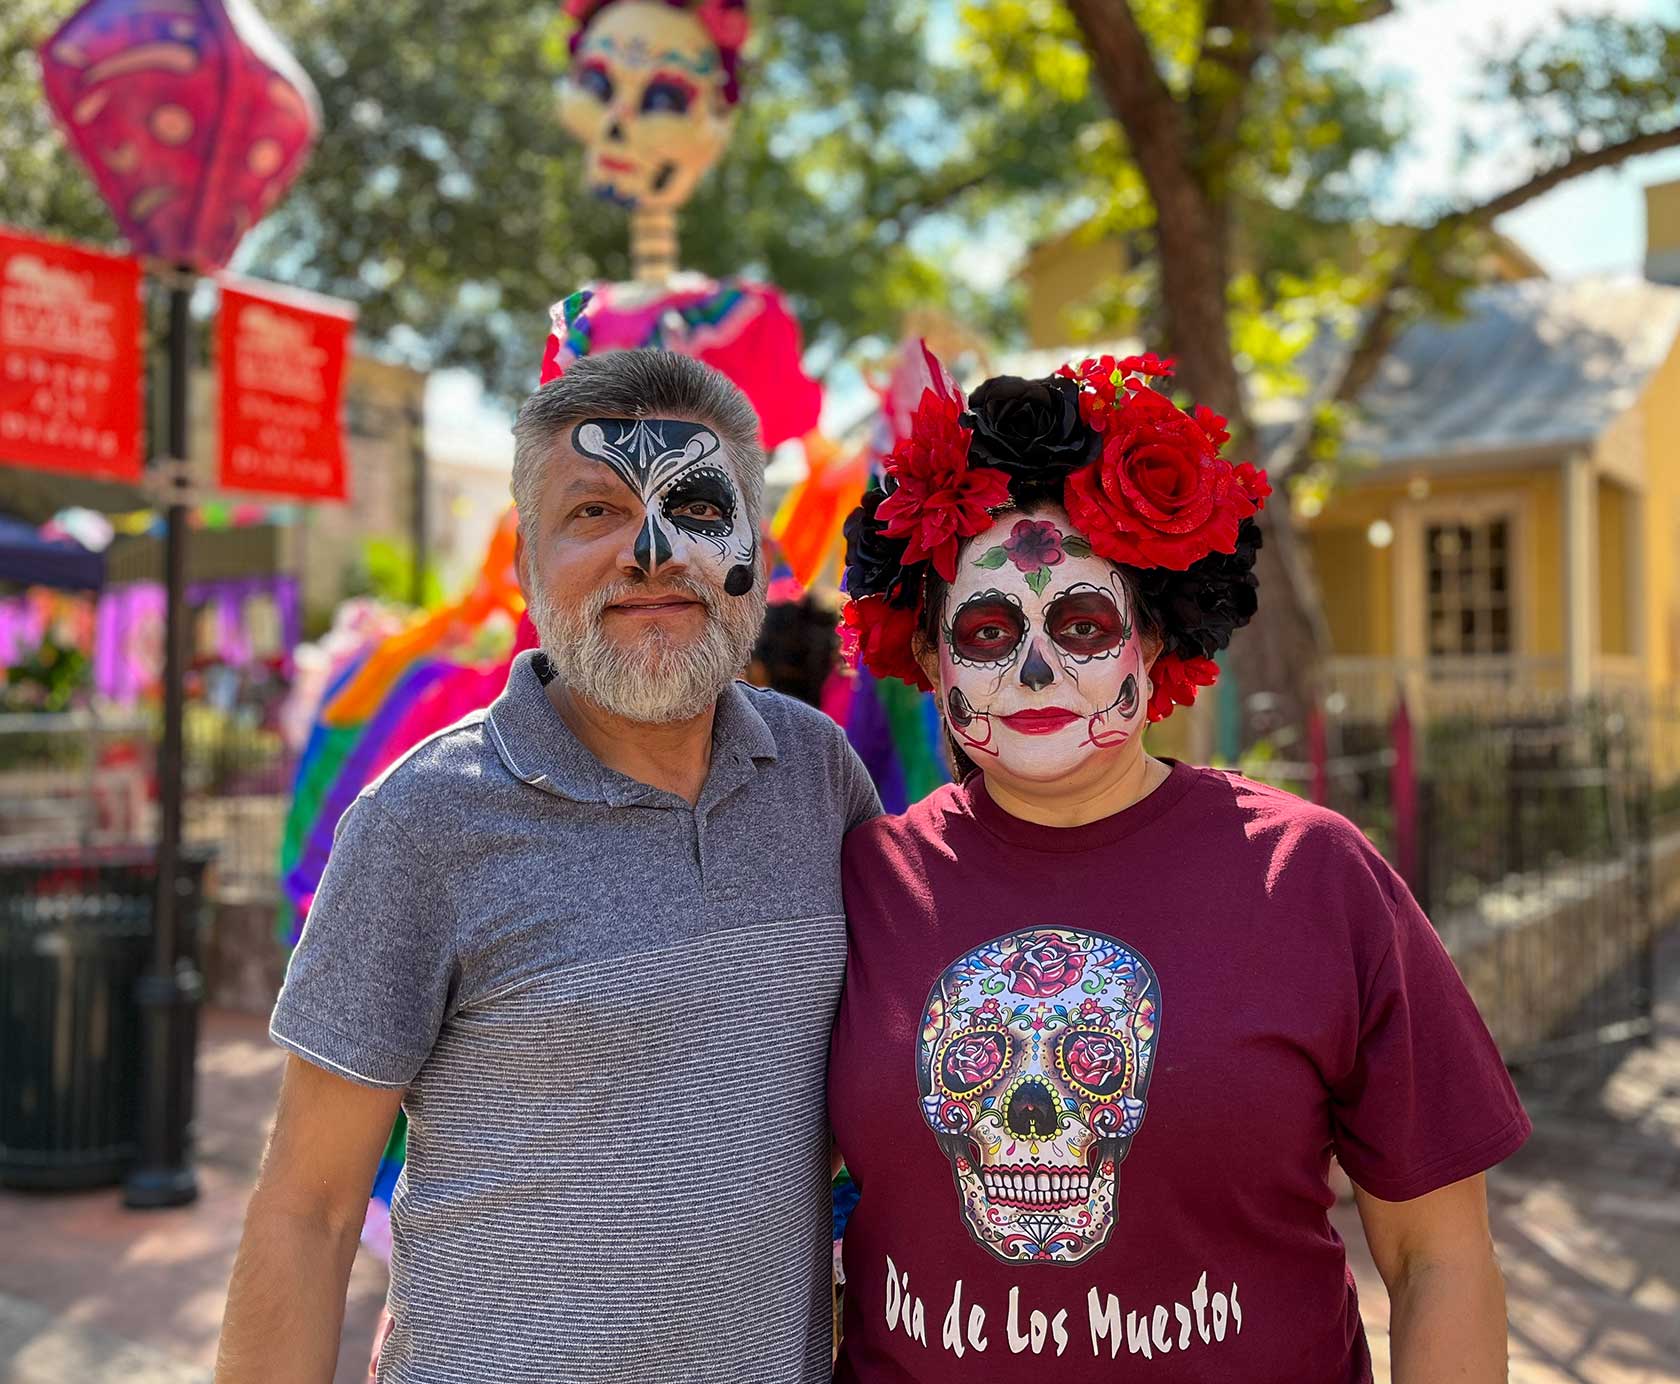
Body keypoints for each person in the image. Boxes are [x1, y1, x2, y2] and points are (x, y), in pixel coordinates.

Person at [828, 353, 1530, 1382]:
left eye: (1081, 624)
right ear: (929, 658)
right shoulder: (859, 885)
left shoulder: (1315, 877)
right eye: (985, 630)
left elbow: (1439, 1259)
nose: (1036, 670)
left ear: (1153, 637)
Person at [215, 349, 880, 1383]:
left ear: (758, 550)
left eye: (698, 507)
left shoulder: (818, 775)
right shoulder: (421, 821)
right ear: (525, 564)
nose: (652, 553)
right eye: (595, 513)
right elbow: (308, 1207)